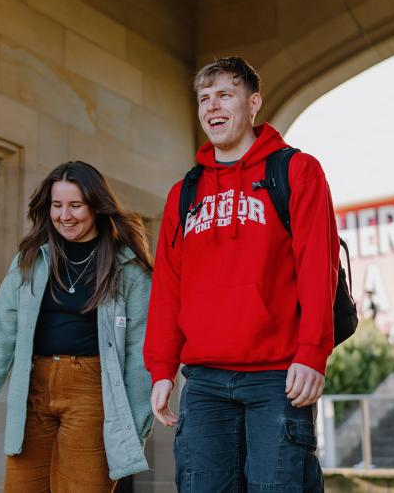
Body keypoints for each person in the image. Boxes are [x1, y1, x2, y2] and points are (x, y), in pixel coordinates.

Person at [144, 57, 339, 492]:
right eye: (204, 98)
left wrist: (312, 351)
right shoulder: (184, 193)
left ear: (253, 103)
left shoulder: (294, 171)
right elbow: (168, 288)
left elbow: (317, 267)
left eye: (224, 95)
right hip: (205, 383)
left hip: (277, 379)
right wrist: (161, 367)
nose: (213, 106)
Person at [0, 161, 154, 492]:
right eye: (57, 205)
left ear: (96, 206)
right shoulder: (31, 260)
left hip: (93, 393)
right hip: (34, 390)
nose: (65, 215)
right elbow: (2, 335)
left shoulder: (128, 269)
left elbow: (140, 352)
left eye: (76, 205)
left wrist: (132, 425)